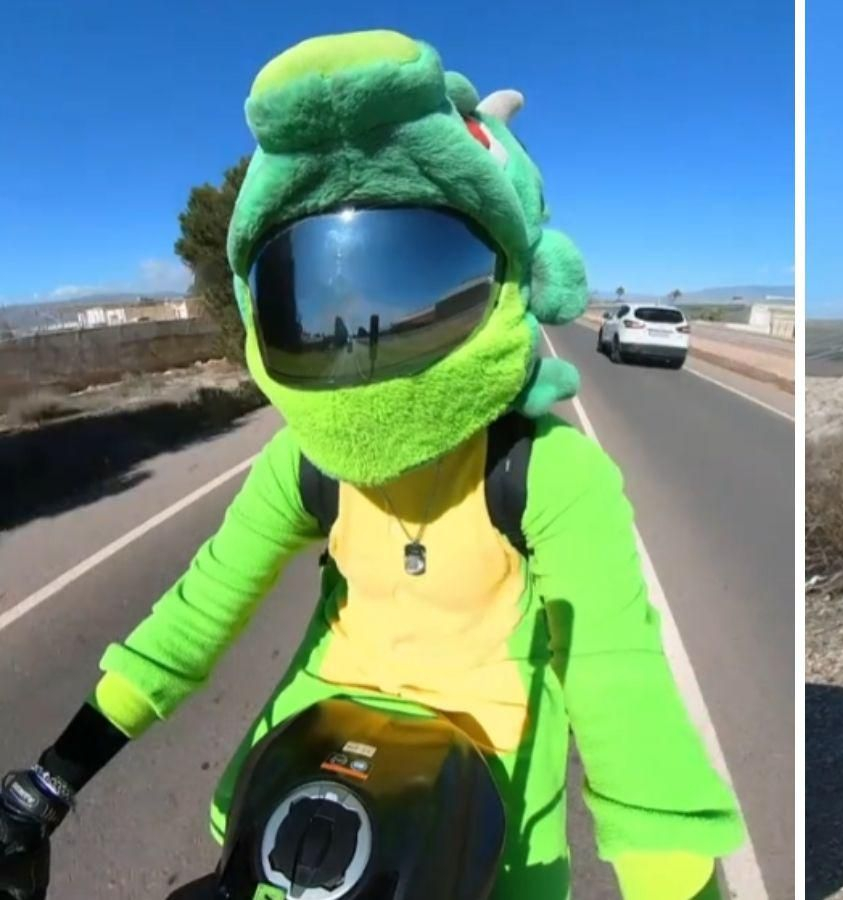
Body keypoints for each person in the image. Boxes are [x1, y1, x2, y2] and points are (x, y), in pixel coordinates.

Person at [0, 31, 740, 900]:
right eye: (323, 305)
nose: (368, 351)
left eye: (417, 285)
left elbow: (620, 685)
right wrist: (50, 782)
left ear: (516, 280)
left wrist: (672, 876)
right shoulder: (308, 462)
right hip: (278, 817)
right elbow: (196, 614)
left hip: (484, 844)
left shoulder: (546, 474)